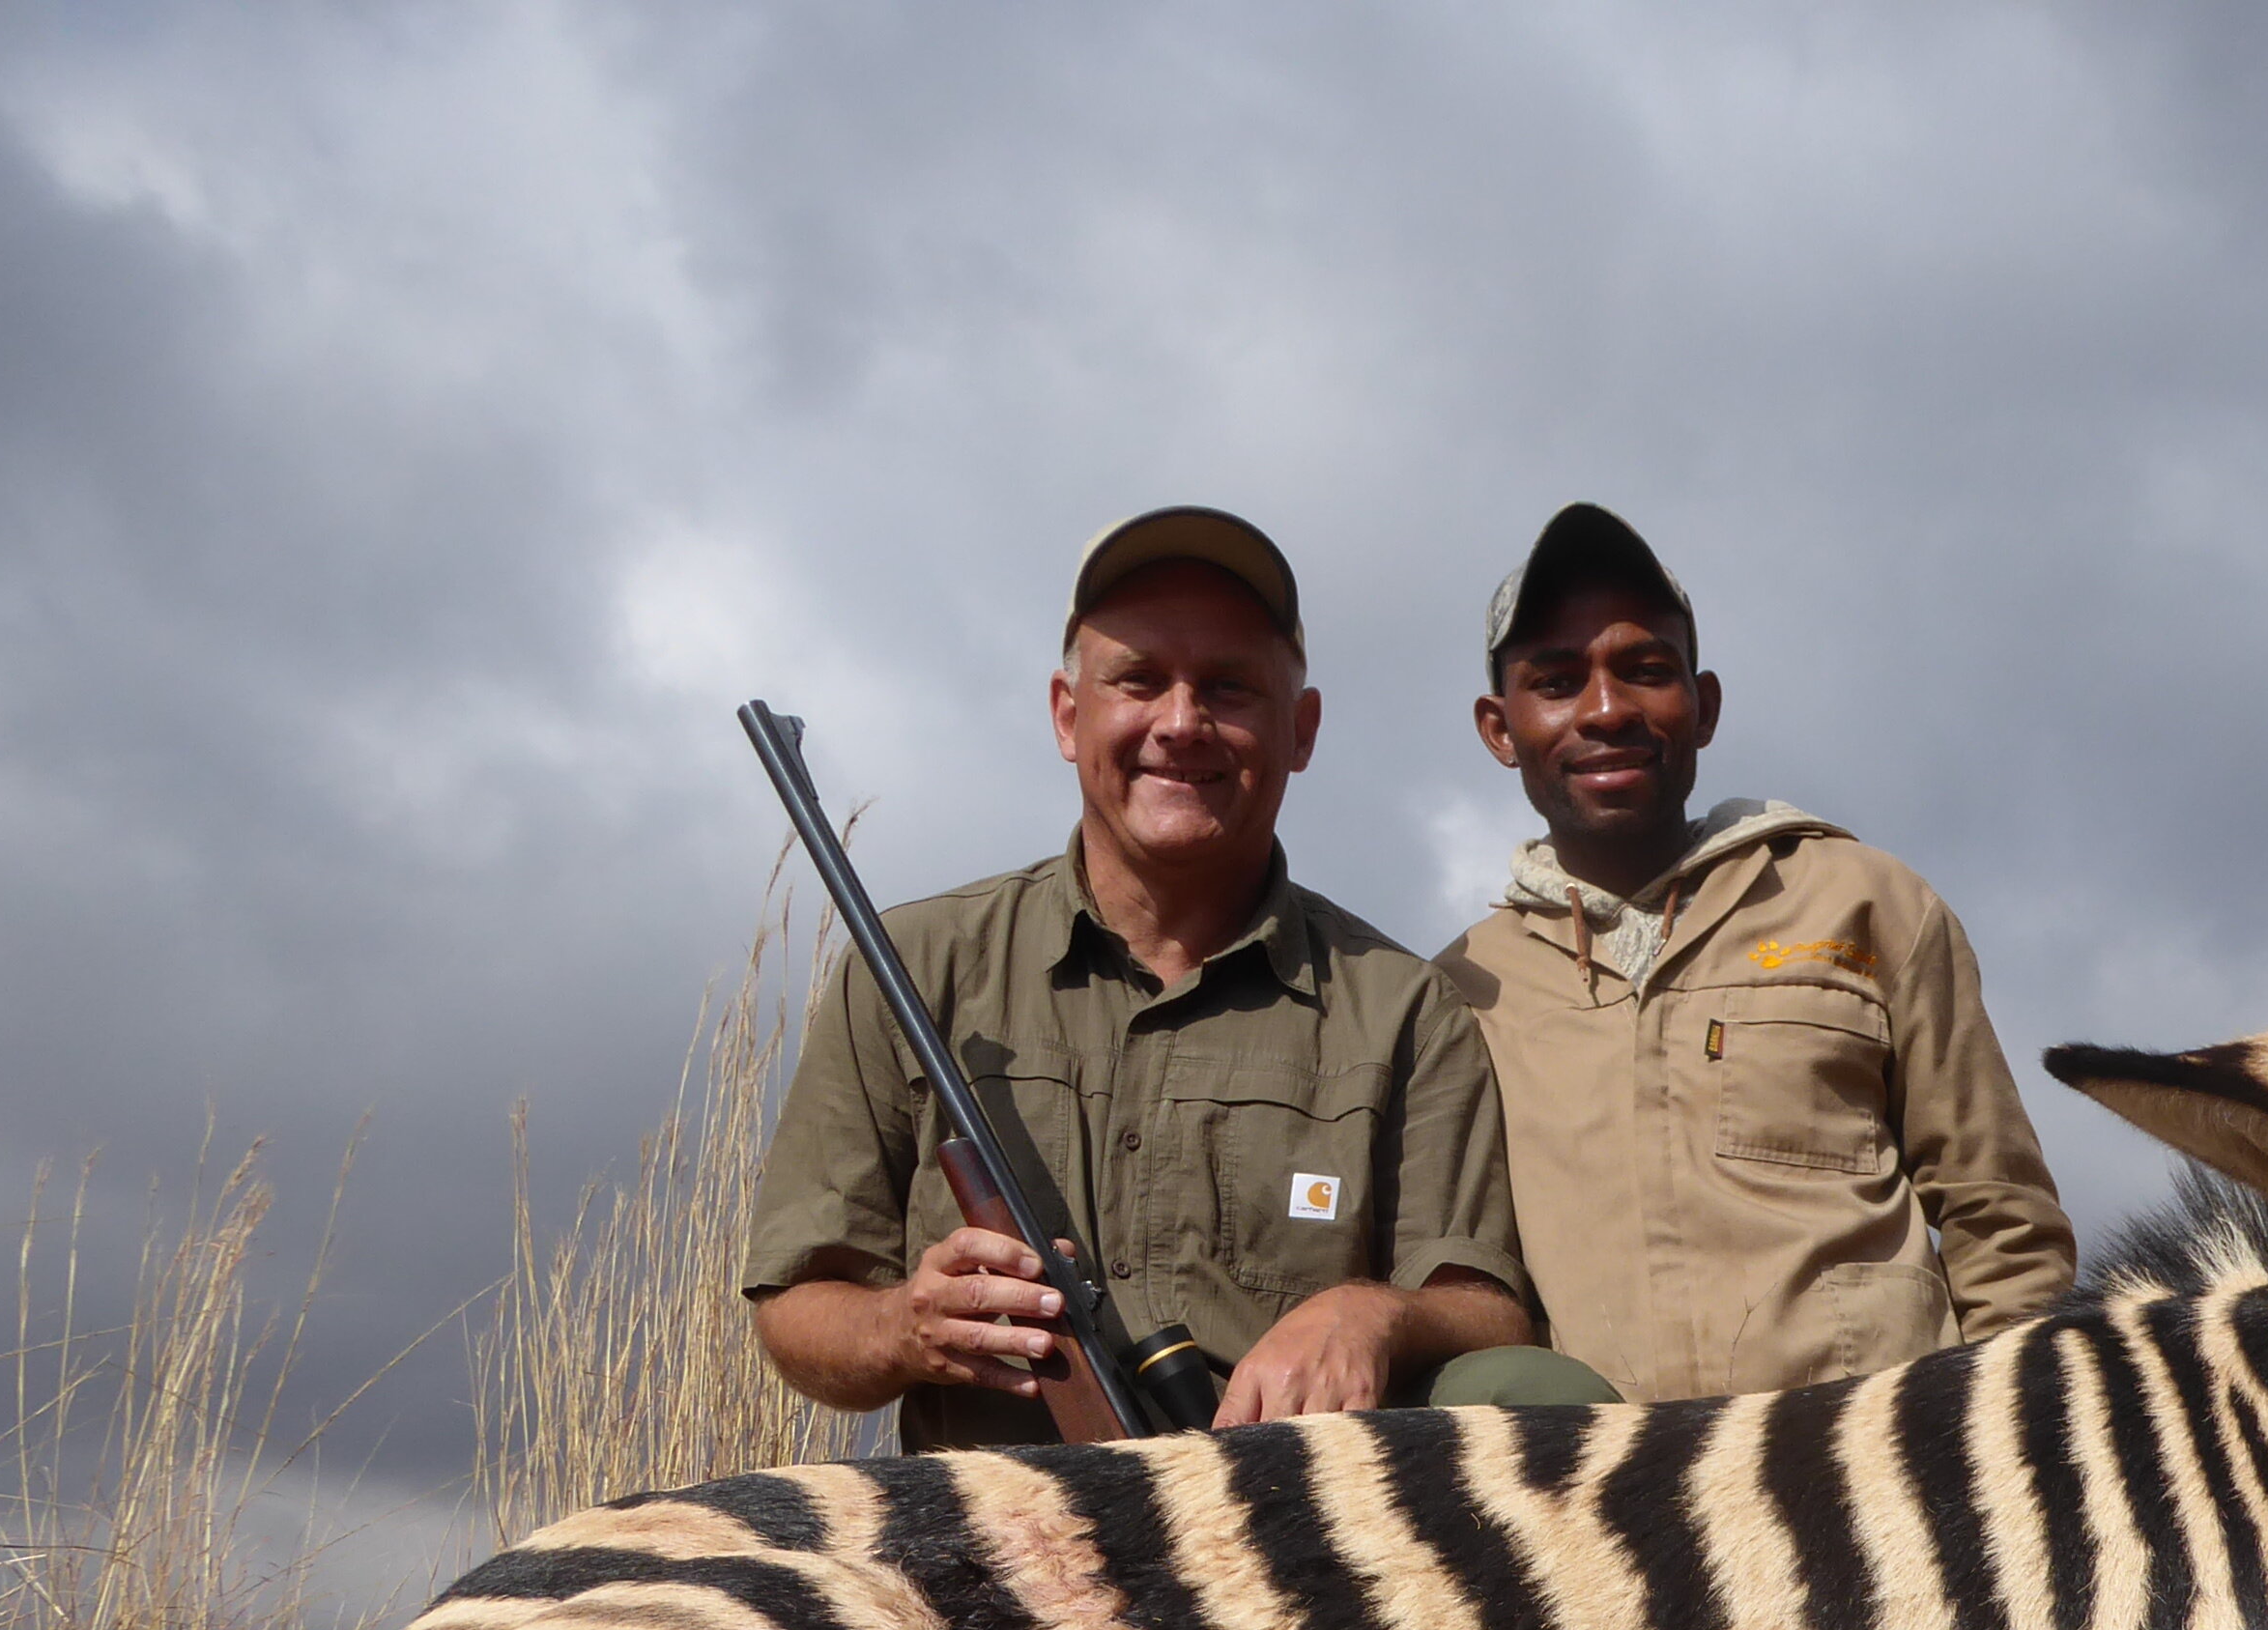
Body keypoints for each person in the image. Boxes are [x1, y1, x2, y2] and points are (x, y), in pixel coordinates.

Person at [747, 506, 1610, 1446]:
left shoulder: (1405, 1009)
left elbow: (1485, 1312)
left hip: (1276, 1530)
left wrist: (1370, 1314)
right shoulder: (913, 966)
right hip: (982, 1538)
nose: (1183, 723)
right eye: (1140, 681)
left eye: (1230, 688)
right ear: (1068, 715)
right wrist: (905, 1327)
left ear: (1302, 730)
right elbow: (796, 1307)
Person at [1434, 503, 2075, 1403]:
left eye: (1646, 670)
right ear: (1501, 729)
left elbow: (2002, 1221)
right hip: (1608, 1512)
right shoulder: (1459, 992)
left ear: (1705, 708)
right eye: (1557, 680)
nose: (1607, 709)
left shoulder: (1864, 900)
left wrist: (2008, 1446)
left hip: (1874, 1490)